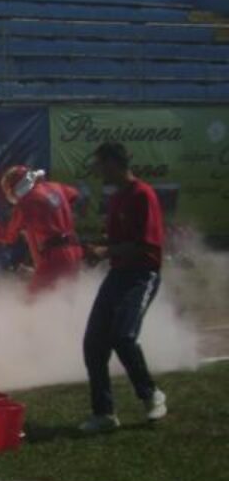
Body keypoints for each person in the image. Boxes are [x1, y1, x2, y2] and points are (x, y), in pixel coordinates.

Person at [78, 142, 166, 433]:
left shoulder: (143, 195)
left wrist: (105, 251)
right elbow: (117, 244)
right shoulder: (116, 199)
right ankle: (104, 413)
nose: (98, 171)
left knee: (124, 337)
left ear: (113, 163)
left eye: (100, 164)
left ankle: (151, 394)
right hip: (118, 274)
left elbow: (146, 245)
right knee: (93, 344)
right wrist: (99, 253)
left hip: (142, 275)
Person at [0, 165, 83, 294]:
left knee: (33, 304)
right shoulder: (55, 186)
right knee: (64, 298)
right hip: (75, 250)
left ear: (15, 188)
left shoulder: (25, 203)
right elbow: (75, 195)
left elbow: (9, 237)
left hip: (55, 256)